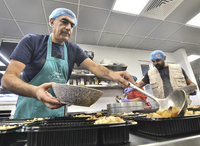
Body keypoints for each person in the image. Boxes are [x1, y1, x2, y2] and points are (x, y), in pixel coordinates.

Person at [1, 8, 135, 119]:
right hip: (29, 115)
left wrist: (115, 75)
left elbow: (94, 67)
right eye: (64, 22)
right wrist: (36, 92)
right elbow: (7, 80)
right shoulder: (32, 42)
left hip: (58, 116)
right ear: (52, 22)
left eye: (72, 25)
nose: (68, 28)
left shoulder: (73, 49)